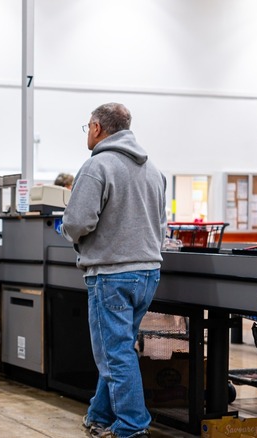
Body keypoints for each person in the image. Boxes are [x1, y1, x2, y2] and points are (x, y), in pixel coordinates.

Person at [61, 103, 167, 438]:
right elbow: (161, 225)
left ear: (96, 127)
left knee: (115, 353)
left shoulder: (97, 166)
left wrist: (71, 235)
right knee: (118, 347)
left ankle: (133, 427)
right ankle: (100, 415)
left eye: (86, 128)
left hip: (111, 275)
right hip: (148, 273)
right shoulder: (154, 170)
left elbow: (77, 221)